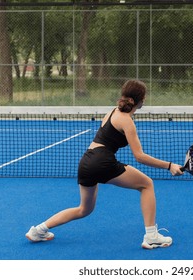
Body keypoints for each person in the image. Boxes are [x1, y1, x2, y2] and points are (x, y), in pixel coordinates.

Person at [25, 80, 184, 249]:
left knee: (84, 209)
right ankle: (151, 235)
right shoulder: (127, 121)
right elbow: (139, 156)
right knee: (147, 185)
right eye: (144, 97)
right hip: (102, 162)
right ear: (139, 100)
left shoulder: (112, 112)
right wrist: (169, 165)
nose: (145, 99)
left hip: (86, 161)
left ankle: (38, 230)